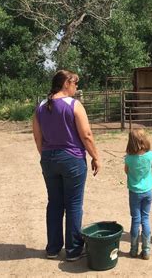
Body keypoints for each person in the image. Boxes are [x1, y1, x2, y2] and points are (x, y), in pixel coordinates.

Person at [32, 70, 101, 261]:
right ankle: (73, 250)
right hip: (72, 159)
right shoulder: (74, 105)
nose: (76, 87)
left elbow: (37, 136)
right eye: (75, 83)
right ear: (66, 83)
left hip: (48, 158)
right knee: (74, 203)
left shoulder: (41, 106)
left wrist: (45, 154)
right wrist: (95, 156)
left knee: (54, 203)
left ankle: (53, 248)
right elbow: (86, 135)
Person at [124, 129, 152, 260]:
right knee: (145, 218)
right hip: (148, 191)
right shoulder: (150, 155)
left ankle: (133, 249)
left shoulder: (129, 159)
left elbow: (126, 171)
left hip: (134, 192)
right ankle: (146, 250)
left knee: (135, 219)